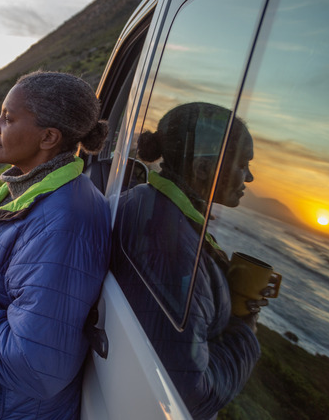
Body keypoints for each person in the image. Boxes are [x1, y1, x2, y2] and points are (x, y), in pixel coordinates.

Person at [0, 71, 111, 419]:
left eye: (8, 119)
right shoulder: (19, 194)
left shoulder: (63, 224)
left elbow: (32, 366)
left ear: (48, 137)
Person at [112, 102, 264, 419]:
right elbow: (188, 395)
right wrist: (244, 332)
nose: (249, 176)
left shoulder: (146, 202)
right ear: (203, 170)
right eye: (243, 164)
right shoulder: (170, 248)